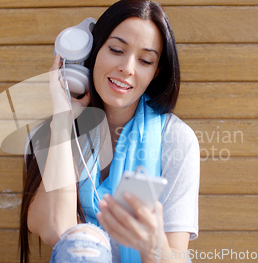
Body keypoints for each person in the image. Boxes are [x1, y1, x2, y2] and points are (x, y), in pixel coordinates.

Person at [19, 0, 200, 262]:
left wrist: (152, 244)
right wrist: (62, 122)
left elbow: (176, 256)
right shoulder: (47, 135)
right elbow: (55, 229)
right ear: (92, 53)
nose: (127, 68)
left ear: (155, 72)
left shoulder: (177, 140)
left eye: (145, 60)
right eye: (116, 50)